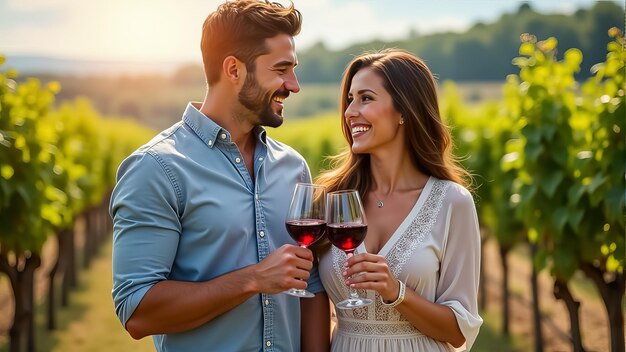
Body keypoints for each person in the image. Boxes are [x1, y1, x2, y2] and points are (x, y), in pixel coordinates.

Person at [109, 1, 329, 351]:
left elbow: (311, 286)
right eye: (282, 69)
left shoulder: (294, 167)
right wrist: (253, 279)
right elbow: (137, 311)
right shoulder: (157, 168)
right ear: (233, 69)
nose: (294, 85)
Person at [314, 49, 483, 351]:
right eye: (350, 99)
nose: (350, 111)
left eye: (365, 98)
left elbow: (459, 330)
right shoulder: (329, 199)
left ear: (404, 110)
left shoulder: (453, 203)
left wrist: (396, 291)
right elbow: (312, 307)